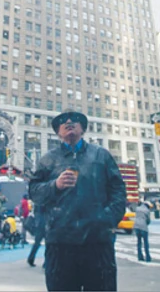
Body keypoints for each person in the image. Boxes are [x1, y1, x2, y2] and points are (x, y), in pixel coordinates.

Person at [29, 110, 127, 291]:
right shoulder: (47, 159)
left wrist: (107, 219)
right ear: (58, 132)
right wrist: (55, 185)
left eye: (75, 119)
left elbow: (118, 189)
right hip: (60, 245)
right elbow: (34, 192)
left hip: (98, 243)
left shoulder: (101, 156)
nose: (69, 121)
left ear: (83, 129)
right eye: (63, 121)